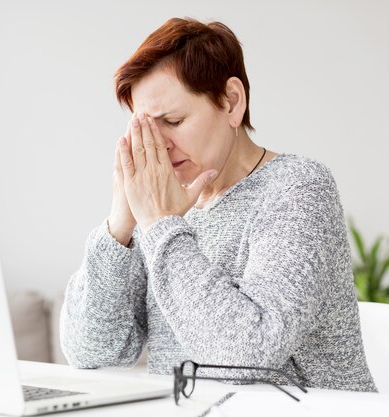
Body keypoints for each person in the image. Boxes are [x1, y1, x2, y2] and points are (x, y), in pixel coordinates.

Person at [59, 17, 376, 392]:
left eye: (173, 121)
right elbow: (90, 352)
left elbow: (246, 354)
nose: (158, 147)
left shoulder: (298, 189)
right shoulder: (162, 206)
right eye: (145, 129)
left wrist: (160, 223)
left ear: (231, 102)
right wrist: (120, 225)